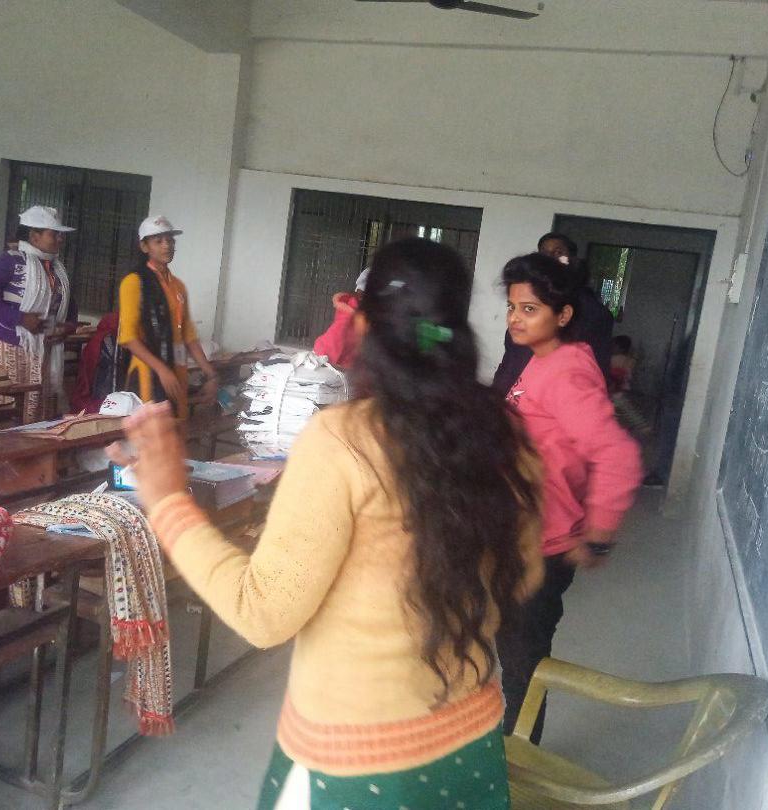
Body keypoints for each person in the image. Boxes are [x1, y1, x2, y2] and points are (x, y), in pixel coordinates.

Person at [119, 238, 544, 809]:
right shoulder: (506, 433)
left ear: (363, 328)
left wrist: (168, 499)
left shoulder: (342, 441)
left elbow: (262, 613)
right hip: (470, 744)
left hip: (359, 763)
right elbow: (523, 576)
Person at [496, 252, 643, 740]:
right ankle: (512, 748)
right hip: (524, 534)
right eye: (512, 307)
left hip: (546, 542)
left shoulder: (565, 373)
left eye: (530, 309)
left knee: (523, 665)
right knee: (514, 656)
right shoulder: (540, 362)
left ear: (562, 315)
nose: (516, 318)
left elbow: (618, 454)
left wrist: (598, 535)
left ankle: (519, 762)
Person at [0, 205, 78, 422]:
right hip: (12, 344)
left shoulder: (57, 269)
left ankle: (35, 444)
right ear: (34, 236)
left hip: (46, 348)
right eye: (54, 234)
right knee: (10, 409)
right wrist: (20, 318)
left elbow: (70, 307)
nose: (60, 239)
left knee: (40, 410)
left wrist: (68, 327)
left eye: (60, 235)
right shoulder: (10, 261)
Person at [117, 215, 217, 418]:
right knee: (152, 430)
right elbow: (128, 338)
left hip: (176, 370)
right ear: (144, 247)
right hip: (148, 372)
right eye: (159, 241)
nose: (167, 245)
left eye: (170, 240)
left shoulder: (178, 286)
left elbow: (188, 334)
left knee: (177, 426)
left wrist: (210, 374)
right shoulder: (133, 283)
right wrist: (161, 370)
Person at [491, 232, 615, 395]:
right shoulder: (526, 301)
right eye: (511, 307)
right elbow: (511, 360)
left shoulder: (592, 311)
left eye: (558, 252)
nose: (514, 317)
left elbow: (593, 373)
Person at [312, 267, 369, 367]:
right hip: (328, 354)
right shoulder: (352, 307)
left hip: (333, 354)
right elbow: (338, 334)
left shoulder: (350, 304)